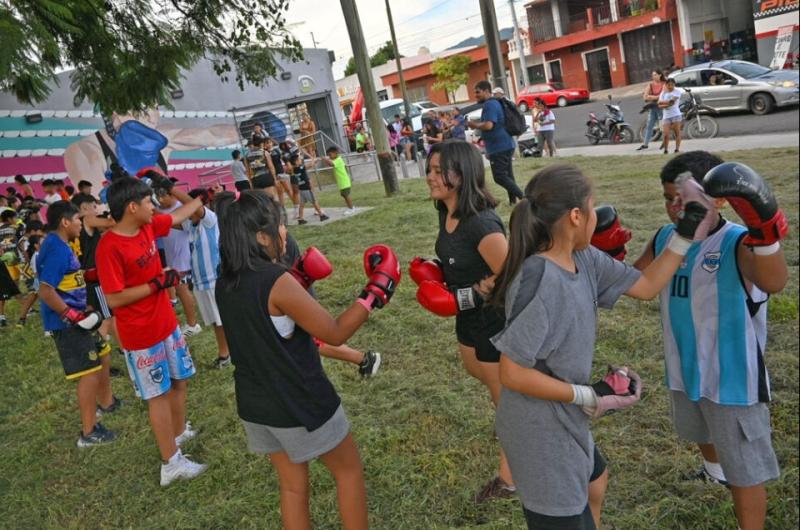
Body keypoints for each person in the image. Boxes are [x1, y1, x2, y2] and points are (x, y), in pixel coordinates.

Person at [487, 164, 709, 530]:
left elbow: (646, 286)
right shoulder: (539, 280)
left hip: (565, 416)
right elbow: (511, 373)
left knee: (596, 480)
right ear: (576, 215)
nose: (596, 214)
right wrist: (587, 395)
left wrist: (686, 233)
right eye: (592, 206)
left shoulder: (584, 258)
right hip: (537, 428)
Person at [214, 189, 401, 530]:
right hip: (300, 401)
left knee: (292, 487)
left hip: (257, 405)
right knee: (348, 470)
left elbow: (268, 324)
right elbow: (334, 333)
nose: (285, 232)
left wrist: (298, 278)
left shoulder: (225, 281)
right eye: (280, 225)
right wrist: (376, 291)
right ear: (260, 235)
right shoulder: (276, 282)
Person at [633, 151, 789, 530]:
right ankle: (713, 470)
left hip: (732, 379)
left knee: (744, 469)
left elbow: (774, 282)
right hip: (685, 367)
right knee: (700, 429)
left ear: (717, 199)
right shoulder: (667, 236)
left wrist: (765, 233)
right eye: (667, 198)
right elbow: (635, 280)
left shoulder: (737, 242)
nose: (673, 207)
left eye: (682, 198)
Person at [410, 140, 514, 502]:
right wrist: (435, 273)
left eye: (441, 171)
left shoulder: (481, 223)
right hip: (469, 320)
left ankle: (511, 478)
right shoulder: (447, 211)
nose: (431, 178)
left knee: (508, 407)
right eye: (430, 170)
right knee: (486, 382)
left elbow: (512, 274)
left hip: (494, 322)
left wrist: (473, 293)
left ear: (464, 174)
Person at [96, 175, 207, 486]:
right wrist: (155, 284)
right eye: (148, 202)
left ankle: (178, 431)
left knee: (179, 381)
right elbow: (115, 297)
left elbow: (177, 216)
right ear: (132, 207)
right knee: (157, 396)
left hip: (166, 324)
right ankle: (170, 463)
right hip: (141, 335)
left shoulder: (147, 226)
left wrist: (200, 199)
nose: (153, 206)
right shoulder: (110, 247)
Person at [37, 200, 118, 447]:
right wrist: (72, 316)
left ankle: (105, 404)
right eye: (76, 221)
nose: (80, 226)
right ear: (64, 222)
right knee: (88, 373)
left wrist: (84, 301)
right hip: (68, 324)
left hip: (79, 314)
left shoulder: (59, 244)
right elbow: (46, 290)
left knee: (102, 354)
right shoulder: (57, 249)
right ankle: (89, 432)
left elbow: (66, 281)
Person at [71, 193, 124, 390]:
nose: (96, 209)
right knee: (107, 319)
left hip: (85, 278)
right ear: (84, 208)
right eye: (93, 206)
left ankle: (109, 356)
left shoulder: (76, 226)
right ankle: (110, 355)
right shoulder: (87, 219)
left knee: (101, 317)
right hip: (94, 279)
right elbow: (110, 222)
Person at [182, 189, 230, 368]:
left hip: (214, 281)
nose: (186, 212)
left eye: (190, 208)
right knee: (215, 321)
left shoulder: (210, 220)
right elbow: (168, 221)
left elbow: (195, 206)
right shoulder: (190, 225)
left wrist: (169, 188)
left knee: (222, 320)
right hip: (201, 284)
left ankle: (226, 354)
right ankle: (225, 353)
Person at [152, 175, 200, 337]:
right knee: (179, 290)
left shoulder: (181, 207)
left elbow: (182, 226)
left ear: (172, 195)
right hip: (172, 255)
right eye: (157, 197)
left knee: (183, 289)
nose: (159, 200)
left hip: (183, 255)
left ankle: (193, 324)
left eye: (162, 196)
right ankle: (190, 322)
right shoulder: (163, 209)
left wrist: (157, 214)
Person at [467, 81, 524, 205]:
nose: (476, 95)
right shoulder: (495, 103)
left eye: (478, 92)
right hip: (506, 144)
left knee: (499, 177)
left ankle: (524, 198)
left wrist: (474, 125)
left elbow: (488, 125)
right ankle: (513, 201)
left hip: (499, 147)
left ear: (487, 91)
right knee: (508, 175)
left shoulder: (490, 105)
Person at [15, 220, 46, 327]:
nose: (40, 234)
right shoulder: (24, 241)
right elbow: (27, 256)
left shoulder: (28, 240)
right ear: (32, 231)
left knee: (34, 295)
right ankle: (22, 318)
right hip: (30, 270)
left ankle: (22, 318)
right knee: (34, 294)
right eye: (38, 232)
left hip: (32, 269)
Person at [288, 154, 329, 225]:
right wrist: (313, 159)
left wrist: (316, 160)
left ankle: (300, 219)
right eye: (299, 160)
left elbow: (309, 165)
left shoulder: (294, 169)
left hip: (301, 189)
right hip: (306, 188)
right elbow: (310, 165)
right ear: (296, 162)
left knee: (302, 204)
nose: (300, 160)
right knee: (314, 201)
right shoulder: (300, 168)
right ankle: (321, 215)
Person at [0, 209, 21, 327]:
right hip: (17, 259)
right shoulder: (16, 227)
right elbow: (21, 243)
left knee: (6, 288)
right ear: (9, 219)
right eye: (14, 217)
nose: (16, 219)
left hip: (5, 262)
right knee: (15, 286)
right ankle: (27, 308)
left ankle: (1, 317)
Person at [637, 70, 665, 151]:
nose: (653, 76)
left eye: (655, 75)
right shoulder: (650, 85)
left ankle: (665, 142)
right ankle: (645, 144)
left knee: (662, 126)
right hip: (652, 107)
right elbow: (645, 97)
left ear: (660, 75)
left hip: (661, 107)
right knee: (649, 126)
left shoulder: (664, 84)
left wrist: (651, 97)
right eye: (653, 75)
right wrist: (655, 97)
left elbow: (663, 96)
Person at [322, 146, 356, 215]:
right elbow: (330, 164)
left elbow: (331, 164)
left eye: (330, 155)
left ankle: (351, 208)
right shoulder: (336, 160)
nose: (329, 156)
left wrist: (326, 159)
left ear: (335, 153)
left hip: (344, 182)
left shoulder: (338, 160)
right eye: (328, 155)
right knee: (344, 195)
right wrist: (325, 160)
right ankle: (350, 207)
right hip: (342, 182)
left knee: (346, 195)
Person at [658, 77, 684, 154]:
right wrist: (665, 104)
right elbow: (659, 104)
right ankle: (665, 150)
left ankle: (677, 149)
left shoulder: (677, 92)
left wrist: (662, 103)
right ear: (666, 85)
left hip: (676, 115)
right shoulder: (663, 93)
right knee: (666, 134)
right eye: (668, 85)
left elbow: (672, 102)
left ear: (674, 85)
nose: (670, 86)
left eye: (672, 85)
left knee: (677, 133)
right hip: (666, 116)